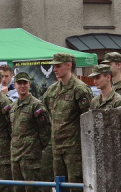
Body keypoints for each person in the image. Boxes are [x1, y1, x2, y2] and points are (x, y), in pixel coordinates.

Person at [42, 53, 91, 187]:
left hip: (73, 149)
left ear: (68, 66)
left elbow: (88, 119)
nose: (54, 69)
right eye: (54, 66)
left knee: (75, 186)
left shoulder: (79, 89)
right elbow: (46, 111)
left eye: (58, 66)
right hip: (57, 148)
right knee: (60, 185)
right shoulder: (52, 90)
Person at [9, 72, 51, 192]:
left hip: (30, 157)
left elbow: (46, 130)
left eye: (25, 83)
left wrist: (36, 147)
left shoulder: (36, 105)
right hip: (15, 156)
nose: (22, 86)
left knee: (33, 189)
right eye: (19, 83)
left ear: (29, 84)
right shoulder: (13, 107)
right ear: (15, 85)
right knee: (18, 189)